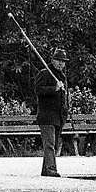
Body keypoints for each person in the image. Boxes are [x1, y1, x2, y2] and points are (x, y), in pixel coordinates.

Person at [34, 48, 69, 177]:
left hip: (59, 116)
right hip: (47, 116)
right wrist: (54, 88)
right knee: (49, 144)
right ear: (53, 60)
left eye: (63, 61)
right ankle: (51, 169)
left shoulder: (62, 76)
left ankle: (46, 169)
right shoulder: (44, 73)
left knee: (53, 144)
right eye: (58, 60)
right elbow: (38, 90)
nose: (61, 64)